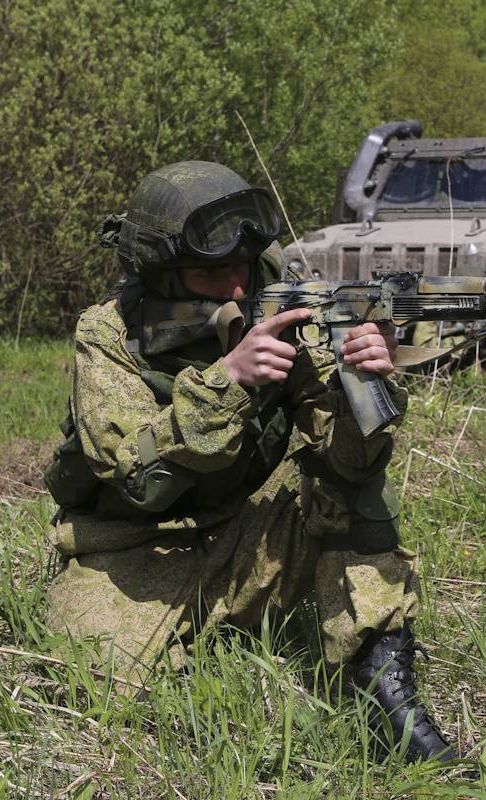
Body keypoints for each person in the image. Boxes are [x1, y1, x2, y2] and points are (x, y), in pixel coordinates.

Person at [42, 161, 455, 762]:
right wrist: (227, 380)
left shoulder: (282, 310)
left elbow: (352, 462)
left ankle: (380, 694)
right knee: (94, 691)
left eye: (244, 264)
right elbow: (135, 472)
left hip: (252, 541)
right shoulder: (107, 335)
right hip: (131, 552)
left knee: (347, 487)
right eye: (212, 271)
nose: (237, 287)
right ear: (159, 268)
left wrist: (363, 383)